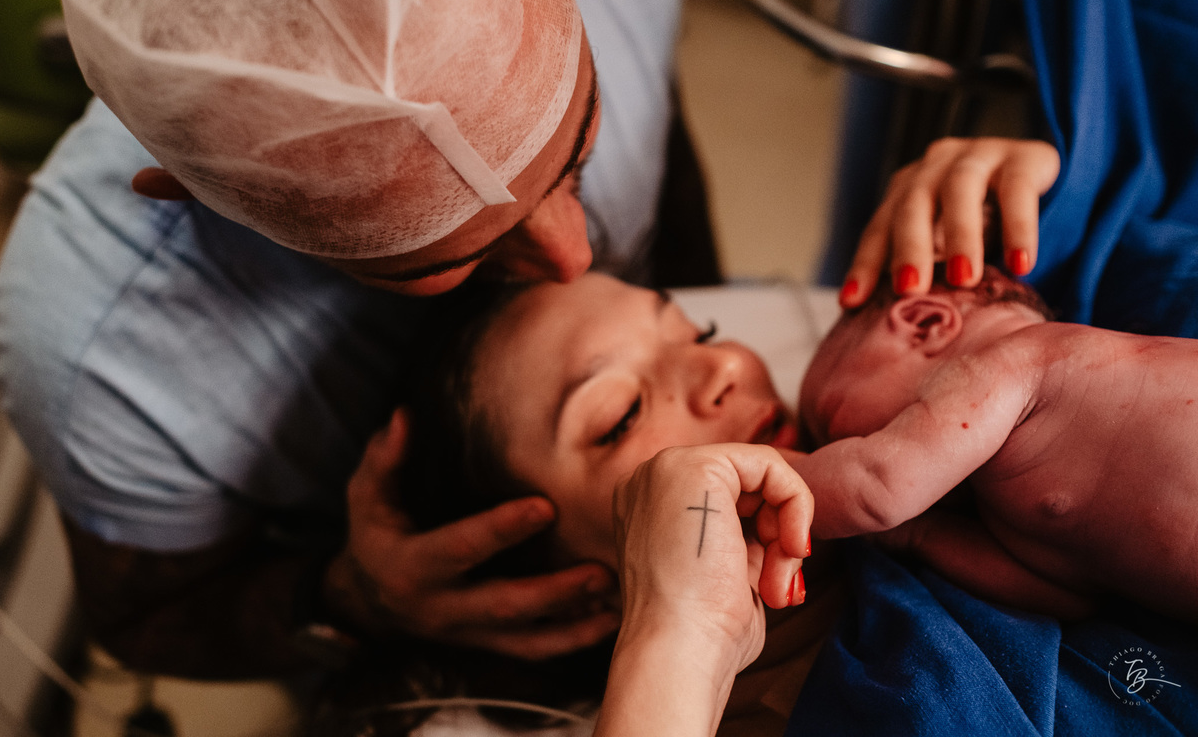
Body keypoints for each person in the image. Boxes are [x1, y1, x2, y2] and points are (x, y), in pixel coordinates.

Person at [0, 0, 704, 678]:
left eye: (577, 151)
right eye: (452, 257)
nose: (574, 258)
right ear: (197, 191)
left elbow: (671, 171)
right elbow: (148, 619)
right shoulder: (96, 358)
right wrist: (349, 599)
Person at [388, 270, 1198, 737]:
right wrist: (681, 636)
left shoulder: (964, 482)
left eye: (697, 332)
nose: (728, 368)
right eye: (619, 416)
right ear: (570, 590)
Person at [796, 264, 1198, 622]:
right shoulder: (999, 505)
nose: (830, 451)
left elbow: (876, 484)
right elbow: (1066, 598)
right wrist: (918, 535)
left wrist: (760, 480)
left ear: (925, 324)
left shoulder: (1017, 357)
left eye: (830, 419)